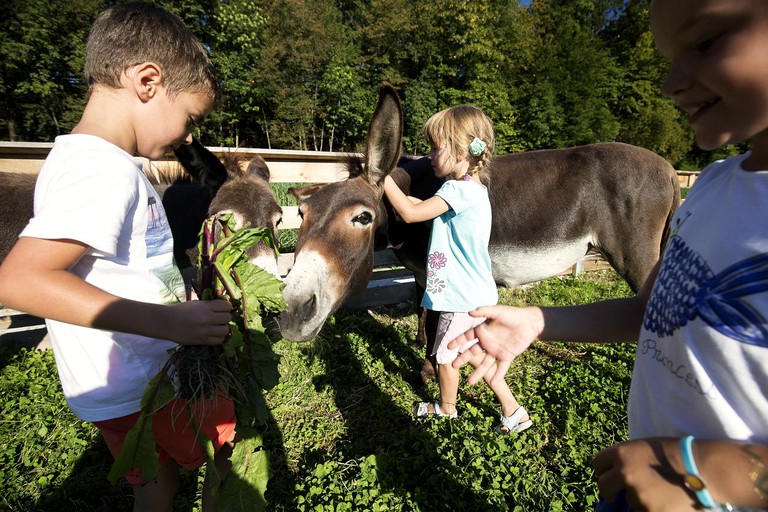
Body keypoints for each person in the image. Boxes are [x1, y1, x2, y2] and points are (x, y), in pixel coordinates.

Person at [447, 0, 768, 510]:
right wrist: (538, 321)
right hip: (643, 476)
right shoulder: (713, 187)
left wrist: (703, 471)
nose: (669, 83)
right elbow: (652, 308)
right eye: (669, 57)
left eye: (706, 42)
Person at [0, 3, 236, 511]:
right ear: (148, 81)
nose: (188, 138)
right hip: (148, 383)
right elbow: (19, 280)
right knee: (228, 456)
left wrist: (179, 296)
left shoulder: (91, 161)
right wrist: (174, 325)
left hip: (122, 386)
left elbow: (123, 265)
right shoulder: (101, 170)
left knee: (154, 481)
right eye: (190, 118)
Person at [383, 105, 532, 434]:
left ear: (461, 150)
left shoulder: (455, 190)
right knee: (476, 356)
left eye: (436, 147)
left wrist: (381, 178)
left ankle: (446, 409)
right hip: (475, 294)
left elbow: (409, 213)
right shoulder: (475, 191)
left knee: (447, 357)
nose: (430, 155)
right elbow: (420, 207)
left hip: (457, 297)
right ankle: (514, 411)